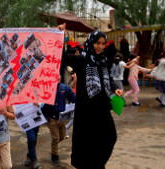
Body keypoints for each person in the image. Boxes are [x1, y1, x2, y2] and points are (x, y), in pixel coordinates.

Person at [59, 24, 124, 169]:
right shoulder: (82, 60)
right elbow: (62, 57)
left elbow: (107, 78)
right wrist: (60, 35)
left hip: (102, 108)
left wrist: (115, 89)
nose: (100, 46)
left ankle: (97, 164)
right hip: (87, 110)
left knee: (110, 137)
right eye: (97, 43)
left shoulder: (103, 60)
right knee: (88, 143)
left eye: (102, 43)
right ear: (91, 42)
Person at [42, 75, 76, 166]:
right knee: (55, 138)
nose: (57, 77)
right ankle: (55, 156)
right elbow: (41, 102)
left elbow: (73, 98)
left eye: (58, 76)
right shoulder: (46, 87)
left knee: (62, 137)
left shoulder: (64, 88)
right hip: (51, 118)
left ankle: (54, 146)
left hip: (62, 118)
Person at [24, 103, 43, 169]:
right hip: (25, 117)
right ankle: (34, 160)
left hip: (36, 116)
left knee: (34, 137)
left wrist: (39, 104)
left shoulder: (38, 92)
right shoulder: (21, 92)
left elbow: (43, 101)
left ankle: (29, 155)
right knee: (31, 138)